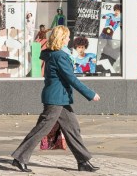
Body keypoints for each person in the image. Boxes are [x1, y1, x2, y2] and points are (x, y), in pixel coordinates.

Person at [11, 25, 101, 173]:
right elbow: (71, 78)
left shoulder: (55, 54)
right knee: (41, 129)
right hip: (55, 99)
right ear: (61, 38)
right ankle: (19, 158)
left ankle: (83, 161)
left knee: (73, 129)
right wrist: (90, 94)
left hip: (61, 98)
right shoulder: (59, 56)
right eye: (67, 37)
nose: (69, 39)